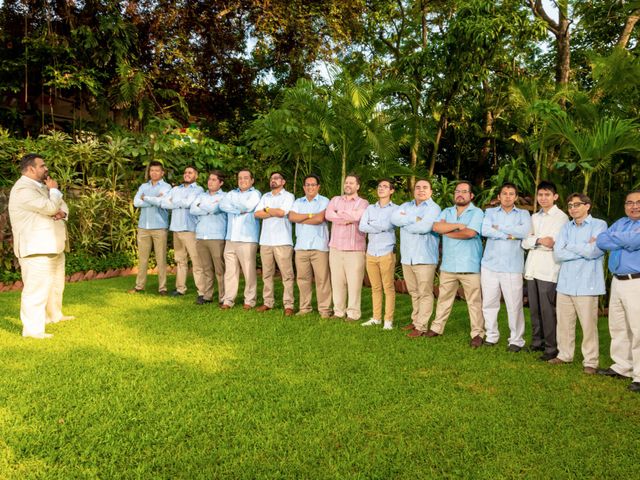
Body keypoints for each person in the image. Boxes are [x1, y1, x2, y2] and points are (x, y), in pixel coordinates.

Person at [8, 153, 73, 338]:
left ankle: (55, 315)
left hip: (53, 246)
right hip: (35, 248)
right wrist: (53, 194)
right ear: (31, 169)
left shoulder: (42, 187)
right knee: (35, 290)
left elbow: (63, 207)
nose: (46, 169)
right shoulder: (22, 189)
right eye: (42, 166)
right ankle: (33, 330)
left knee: (55, 285)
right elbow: (51, 207)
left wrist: (61, 212)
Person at [548, 193, 606, 375]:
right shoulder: (566, 227)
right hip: (565, 283)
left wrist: (569, 247)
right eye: (570, 205)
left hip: (587, 284)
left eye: (577, 205)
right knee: (564, 323)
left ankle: (591, 361)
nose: (572, 208)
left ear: (587, 206)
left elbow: (594, 251)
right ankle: (564, 354)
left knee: (588, 325)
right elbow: (558, 254)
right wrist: (583, 247)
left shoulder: (599, 225)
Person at [430, 181, 485, 347]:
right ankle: (436, 328)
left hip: (470, 265)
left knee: (474, 302)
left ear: (471, 195)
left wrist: (447, 232)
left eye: (464, 191)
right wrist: (456, 226)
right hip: (448, 265)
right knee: (443, 299)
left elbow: (469, 233)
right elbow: (436, 227)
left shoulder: (477, 212)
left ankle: (477, 333)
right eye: (457, 191)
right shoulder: (447, 211)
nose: (460, 194)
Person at [596, 190, 640, 392]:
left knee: (638, 329)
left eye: (638, 202)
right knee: (618, 326)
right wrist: (625, 238)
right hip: (617, 281)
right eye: (630, 202)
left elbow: (634, 242)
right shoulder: (621, 222)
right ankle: (622, 366)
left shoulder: (619, 227)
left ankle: (639, 375)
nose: (634, 206)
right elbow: (601, 241)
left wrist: (618, 238)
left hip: (636, 282)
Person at [481, 183, 531, 351]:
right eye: (504, 193)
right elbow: (485, 230)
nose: (508, 196)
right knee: (489, 303)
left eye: (511, 194)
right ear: (499, 196)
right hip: (490, 265)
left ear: (516, 197)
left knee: (514, 305)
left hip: (512, 267)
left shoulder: (524, 214)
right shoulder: (489, 212)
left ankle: (516, 340)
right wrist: (511, 234)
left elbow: (525, 232)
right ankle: (491, 335)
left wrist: (499, 229)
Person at [521, 181, 568, 360]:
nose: (543, 198)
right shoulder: (534, 217)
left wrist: (535, 240)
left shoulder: (561, 218)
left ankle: (551, 348)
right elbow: (525, 242)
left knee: (548, 310)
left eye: (547, 195)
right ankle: (536, 342)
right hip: (532, 269)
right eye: (540, 195)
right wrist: (539, 240)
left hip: (549, 270)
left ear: (555, 197)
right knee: (534, 309)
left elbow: (552, 243)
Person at [390, 179, 441, 337]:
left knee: (425, 292)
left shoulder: (434, 208)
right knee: (413, 292)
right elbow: (394, 219)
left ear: (431, 191)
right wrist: (415, 219)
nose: (421, 190)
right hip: (407, 257)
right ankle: (415, 320)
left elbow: (425, 228)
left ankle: (421, 326)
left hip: (424, 257)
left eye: (425, 187)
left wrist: (406, 222)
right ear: (414, 191)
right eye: (418, 187)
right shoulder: (406, 206)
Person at [325, 174, 369, 322]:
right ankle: (338, 312)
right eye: (346, 182)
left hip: (355, 249)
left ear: (357, 186)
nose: (348, 185)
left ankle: (353, 313)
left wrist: (339, 215)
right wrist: (346, 218)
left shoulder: (363, 203)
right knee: (337, 282)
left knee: (354, 282)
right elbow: (329, 215)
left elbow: (357, 217)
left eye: (351, 183)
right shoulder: (335, 200)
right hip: (336, 247)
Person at [288, 174, 332, 318]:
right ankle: (305, 308)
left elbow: (320, 219)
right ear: (304, 187)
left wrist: (302, 218)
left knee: (322, 280)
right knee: (302, 279)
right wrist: (311, 216)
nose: (310, 187)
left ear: (318, 187)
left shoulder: (325, 201)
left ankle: (325, 310)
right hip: (301, 247)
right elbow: (292, 217)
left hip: (320, 247)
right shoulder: (298, 201)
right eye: (307, 184)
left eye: (313, 184)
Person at [254, 172, 296, 315]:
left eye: (277, 178)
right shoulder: (265, 196)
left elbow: (282, 212)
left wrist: (266, 210)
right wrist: (273, 211)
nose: (273, 180)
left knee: (287, 274)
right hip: (265, 241)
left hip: (282, 241)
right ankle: (268, 302)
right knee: (267, 274)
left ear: (283, 182)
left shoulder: (288, 196)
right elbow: (256, 214)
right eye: (272, 178)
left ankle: (288, 305)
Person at [219, 169, 261, 309]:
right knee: (230, 271)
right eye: (240, 178)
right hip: (230, 237)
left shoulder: (255, 194)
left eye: (245, 178)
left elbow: (248, 207)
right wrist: (238, 209)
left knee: (249, 271)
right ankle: (228, 300)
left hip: (247, 237)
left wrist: (234, 206)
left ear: (252, 180)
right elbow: (222, 205)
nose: (242, 180)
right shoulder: (231, 193)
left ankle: (249, 300)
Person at [358, 179, 397, 330]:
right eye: (380, 186)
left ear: (391, 191)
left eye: (385, 187)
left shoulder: (396, 209)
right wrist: (379, 227)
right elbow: (362, 226)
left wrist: (371, 225)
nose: (381, 189)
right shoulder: (370, 208)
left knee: (388, 287)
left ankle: (388, 321)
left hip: (386, 251)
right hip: (371, 252)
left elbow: (388, 226)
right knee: (375, 287)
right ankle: (376, 318)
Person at [161, 166, 205, 297]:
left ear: (196, 176)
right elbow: (164, 203)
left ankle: (202, 292)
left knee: (197, 262)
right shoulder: (175, 189)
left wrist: (174, 202)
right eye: (185, 172)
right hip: (176, 228)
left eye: (190, 173)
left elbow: (189, 203)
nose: (187, 174)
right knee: (180, 260)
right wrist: (180, 202)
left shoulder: (199, 190)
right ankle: (180, 289)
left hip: (190, 230)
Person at [129, 161, 172, 295]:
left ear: (162, 173)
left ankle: (163, 288)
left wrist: (145, 198)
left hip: (159, 227)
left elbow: (162, 203)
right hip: (143, 227)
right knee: (142, 259)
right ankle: (139, 286)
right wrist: (153, 200)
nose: (154, 173)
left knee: (161, 258)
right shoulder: (143, 186)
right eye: (151, 170)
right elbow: (136, 202)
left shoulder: (166, 187)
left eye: (157, 170)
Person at [190, 170, 227, 305]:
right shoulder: (201, 195)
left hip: (216, 236)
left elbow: (215, 209)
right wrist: (207, 208)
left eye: (214, 180)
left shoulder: (225, 196)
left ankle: (223, 298)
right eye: (209, 179)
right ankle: (207, 295)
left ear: (221, 183)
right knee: (206, 268)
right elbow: (192, 210)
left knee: (220, 269)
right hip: (201, 236)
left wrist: (203, 207)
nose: (210, 182)